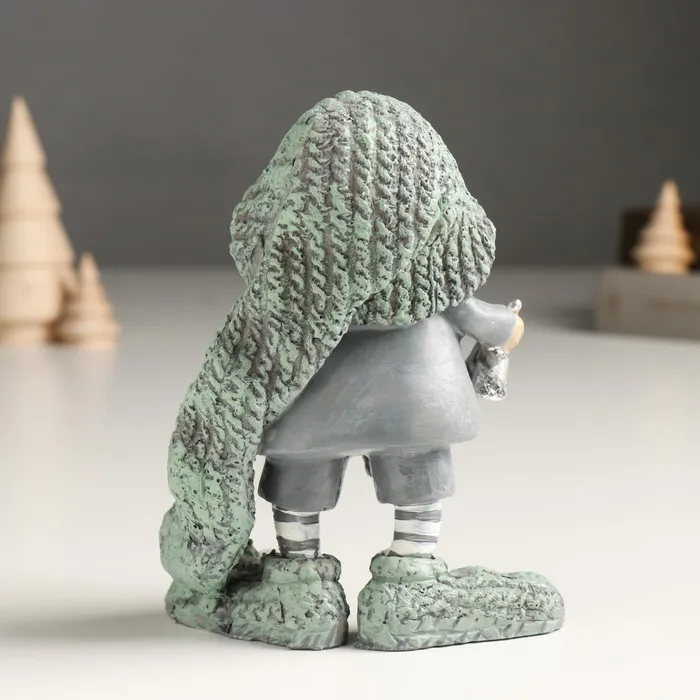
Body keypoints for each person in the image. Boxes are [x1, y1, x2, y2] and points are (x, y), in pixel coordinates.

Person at [160, 90, 564, 651]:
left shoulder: (293, 305)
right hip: (417, 408)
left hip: (310, 412)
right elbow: (497, 326)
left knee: (299, 483)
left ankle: (300, 582)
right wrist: (508, 331)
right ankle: (411, 576)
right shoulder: (437, 283)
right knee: (418, 479)